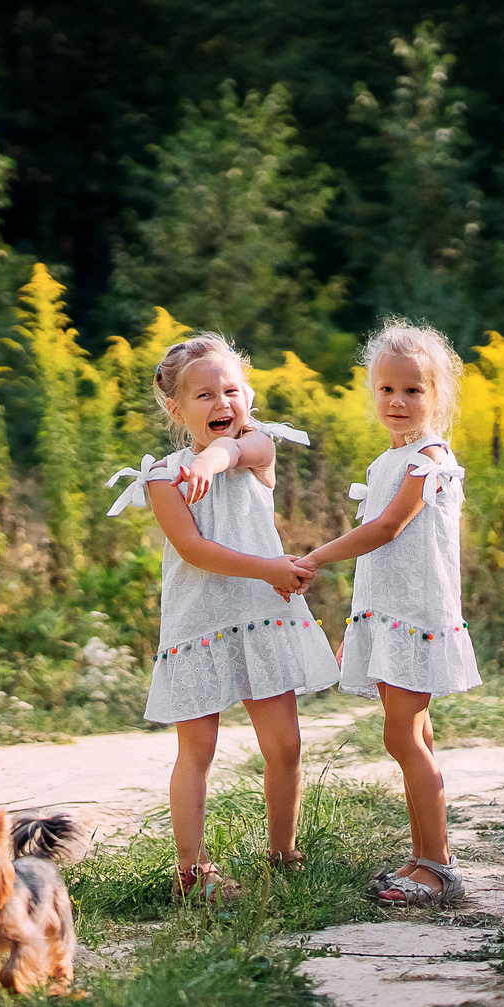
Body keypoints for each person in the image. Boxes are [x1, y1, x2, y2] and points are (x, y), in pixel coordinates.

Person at [106, 333, 340, 897]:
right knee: (198, 750)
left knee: (285, 744)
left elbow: (237, 452)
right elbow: (195, 551)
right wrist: (268, 568)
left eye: (230, 391)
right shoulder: (162, 478)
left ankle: (283, 853)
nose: (221, 405)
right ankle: (193, 870)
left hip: (263, 614)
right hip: (199, 622)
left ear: (248, 394)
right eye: (204, 396)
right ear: (176, 408)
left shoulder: (258, 447)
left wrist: (214, 456)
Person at [291, 322, 480, 905]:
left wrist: (315, 557)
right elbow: (383, 563)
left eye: (414, 391)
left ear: (437, 396)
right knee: (412, 732)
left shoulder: (429, 460)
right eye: (386, 390)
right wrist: (362, 627)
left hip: (416, 617)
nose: (398, 402)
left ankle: (436, 865)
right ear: (373, 392)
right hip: (390, 616)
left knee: (402, 736)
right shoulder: (387, 461)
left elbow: (386, 530)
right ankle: (426, 855)